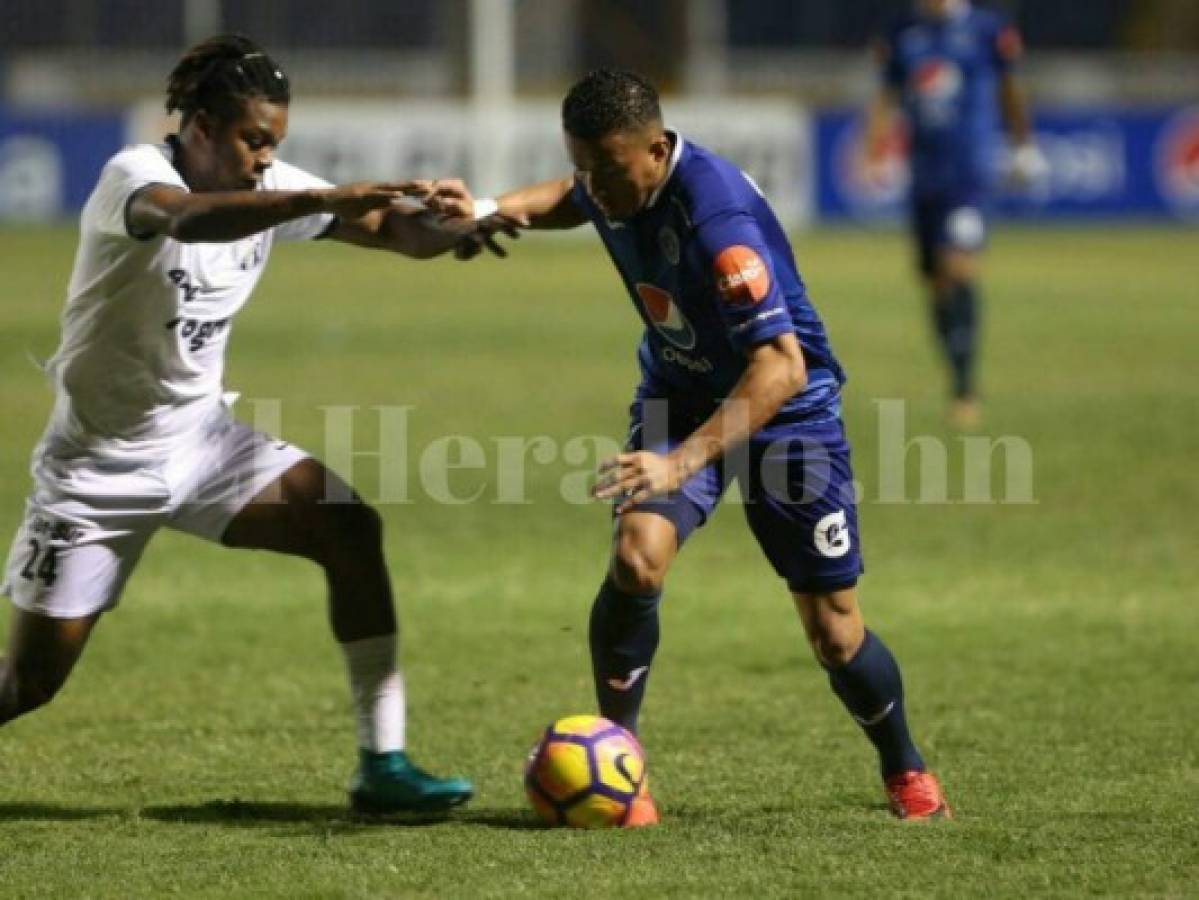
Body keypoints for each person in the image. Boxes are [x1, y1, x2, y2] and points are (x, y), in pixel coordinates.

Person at [0, 34, 514, 816]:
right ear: (200, 126)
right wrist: (323, 200)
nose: (266, 157)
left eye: (275, 142)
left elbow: (398, 234)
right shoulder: (133, 178)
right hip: (96, 471)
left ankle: (384, 765)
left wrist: (457, 226)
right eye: (253, 139)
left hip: (203, 446)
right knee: (28, 685)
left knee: (347, 526)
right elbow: (191, 221)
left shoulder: (274, 185)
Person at [443, 69, 949, 824]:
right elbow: (568, 197)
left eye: (607, 171)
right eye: (583, 164)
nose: (594, 186)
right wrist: (492, 208)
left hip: (788, 412)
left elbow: (780, 366)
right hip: (679, 394)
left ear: (655, 151)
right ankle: (625, 762)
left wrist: (678, 463)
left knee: (834, 632)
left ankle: (903, 767)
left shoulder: (719, 223)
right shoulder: (614, 174)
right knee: (635, 558)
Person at [864, 0, 1045, 429]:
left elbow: (1009, 88)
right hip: (925, 177)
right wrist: (872, 149)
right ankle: (955, 364)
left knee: (959, 266)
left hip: (970, 171)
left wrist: (1023, 143)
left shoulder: (987, 29)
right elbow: (887, 95)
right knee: (933, 280)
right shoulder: (902, 31)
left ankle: (964, 390)